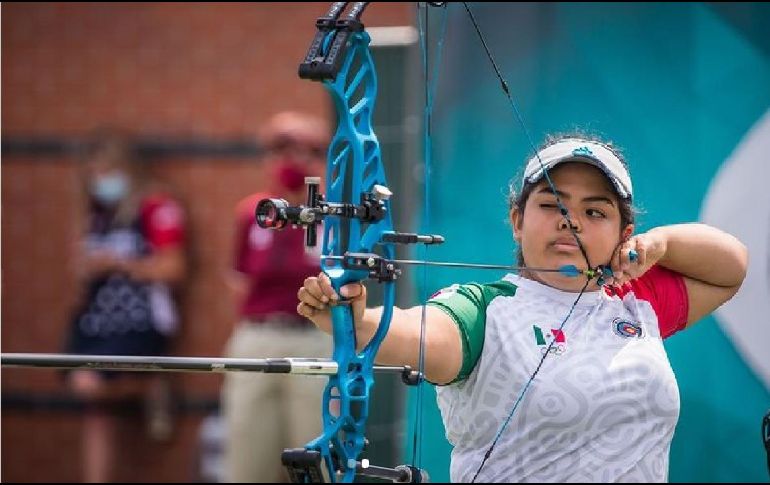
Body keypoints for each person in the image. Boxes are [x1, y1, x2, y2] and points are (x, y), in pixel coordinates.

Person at [295, 134, 749, 482]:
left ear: (623, 233)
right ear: (517, 220)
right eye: (552, 205)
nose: (570, 221)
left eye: (595, 212)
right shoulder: (483, 309)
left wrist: (661, 243)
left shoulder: (635, 303)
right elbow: (418, 333)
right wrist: (357, 321)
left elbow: (731, 268)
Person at [64, 128, 188, 482]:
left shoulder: (156, 206)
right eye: (95, 173)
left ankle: (151, 383)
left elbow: (173, 268)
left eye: (108, 171)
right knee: (95, 408)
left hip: (141, 317)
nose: (101, 181)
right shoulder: (95, 214)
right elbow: (77, 269)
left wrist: (119, 263)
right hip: (97, 319)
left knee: (90, 383)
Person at [221, 111, 332, 482]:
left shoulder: (332, 215)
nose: (292, 159)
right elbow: (237, 281)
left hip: (314, 339)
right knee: (248, 456)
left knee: (315, 457)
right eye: (281, 148)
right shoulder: (253, 212)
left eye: (305, 150)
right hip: (258, 337)